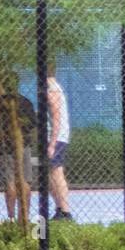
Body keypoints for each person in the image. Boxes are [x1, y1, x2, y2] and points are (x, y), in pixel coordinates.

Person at [0, 73, 36, 222]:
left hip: (8, 146)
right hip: (23, 144)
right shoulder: (26, 102)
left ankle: (11, 217)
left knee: (10, 181)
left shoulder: (1, 104)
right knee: (25, 180)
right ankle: (25, 216)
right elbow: (32, 124)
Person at [47, 65, 73, 220]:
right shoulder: (51, 87)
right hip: (52, 136)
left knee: (57, 172)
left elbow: (56, 118)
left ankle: (65, 210)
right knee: (51, 172)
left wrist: (52, 143)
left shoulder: (52, 90)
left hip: (56, 137)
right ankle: (59, 208)